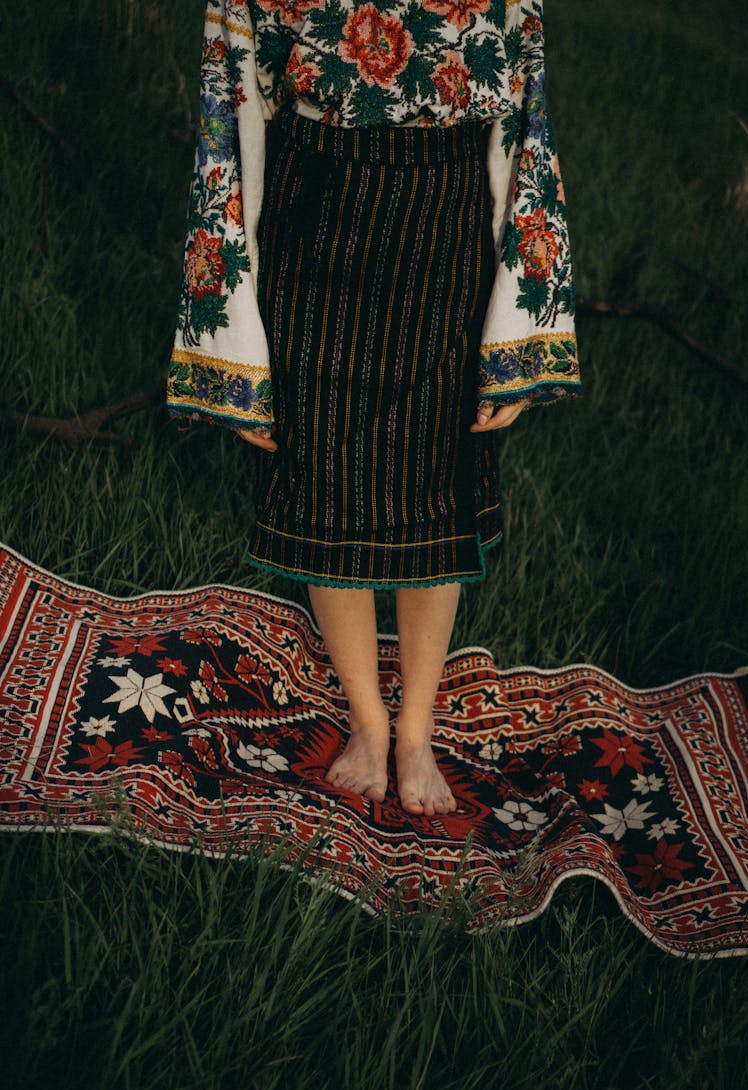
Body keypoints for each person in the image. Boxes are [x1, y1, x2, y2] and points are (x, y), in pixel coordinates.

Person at [166, 0, 582, 817]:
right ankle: (366, 719)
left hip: (447, 209)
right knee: (325, 464)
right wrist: (233, 348)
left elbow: (529, 107)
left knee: (435, 468)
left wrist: (523, 321)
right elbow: (229, 95)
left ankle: (417, 727)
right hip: (312, 202)